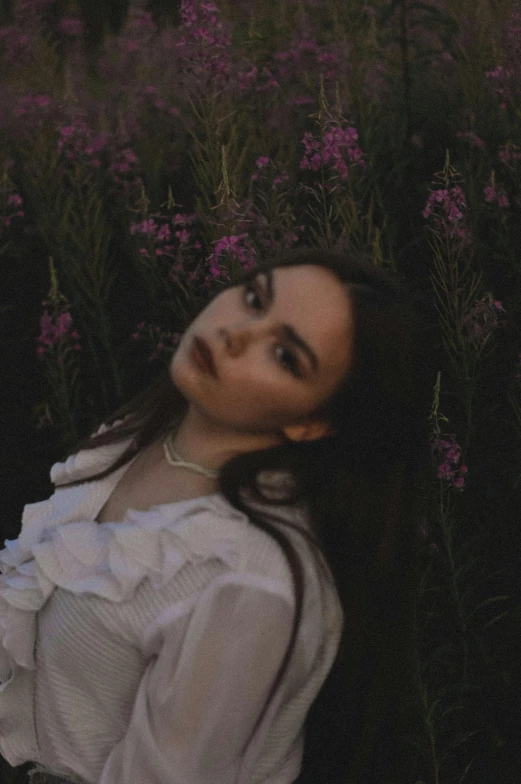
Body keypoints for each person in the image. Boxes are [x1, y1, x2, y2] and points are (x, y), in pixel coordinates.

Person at [0, 246, 433, 784]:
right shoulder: (144, 438)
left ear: (314, 424)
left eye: (284, 355)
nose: (236, 333)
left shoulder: (246, 582)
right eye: (254, 298)